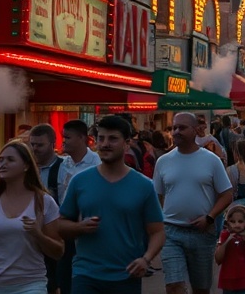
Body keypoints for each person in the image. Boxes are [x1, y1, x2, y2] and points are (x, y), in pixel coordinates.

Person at [58, 115, 165, 294]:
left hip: (126, 275)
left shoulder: (143, 185)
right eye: (101, 138)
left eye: (113, 139)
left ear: (127, 143)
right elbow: (60, 225)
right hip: (86, 275)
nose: (105, 144)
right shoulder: (80, 181)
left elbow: (157, 231)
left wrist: (145, 260)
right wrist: (79, 227)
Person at [0, 139, 65, 294]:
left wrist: (38, 234)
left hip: (31, 284)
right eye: (0, 160)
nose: (3, 164)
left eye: (10, 160)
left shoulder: (43, 201)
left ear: (26, 166)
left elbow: (58, 251)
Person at [153, 112, 234, 294]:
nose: (176, 131)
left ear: (195, 130)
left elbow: (227, 194)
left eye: (182, 128)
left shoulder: (211, 160)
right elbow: (158, 195)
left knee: (201, 288)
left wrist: (210, 217)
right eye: (174, 128)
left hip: (202, 233)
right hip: (171, 233)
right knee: (174, 286)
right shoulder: (163, 161)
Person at [56, 119, 101, 294]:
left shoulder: (96, 164)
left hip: (90, 228)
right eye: (63, 137)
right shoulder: (63, 164)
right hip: (66, 227)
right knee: (66, 278)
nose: (63, 141)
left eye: (67, 137)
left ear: (82, 138)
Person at [28, 123, 66, 294]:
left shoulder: (64, 168)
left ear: (52, 144)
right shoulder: (25, 168)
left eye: (40, 145)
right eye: (32, 144)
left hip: (53, 233)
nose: (35, 149)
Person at [214, 204, 245, 294]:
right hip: (228, 281)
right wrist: (227, 241)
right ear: (227, 222)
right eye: (232, 221)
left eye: (240, 221)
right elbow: (218, 259)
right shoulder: (224, 235)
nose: (236, 225)